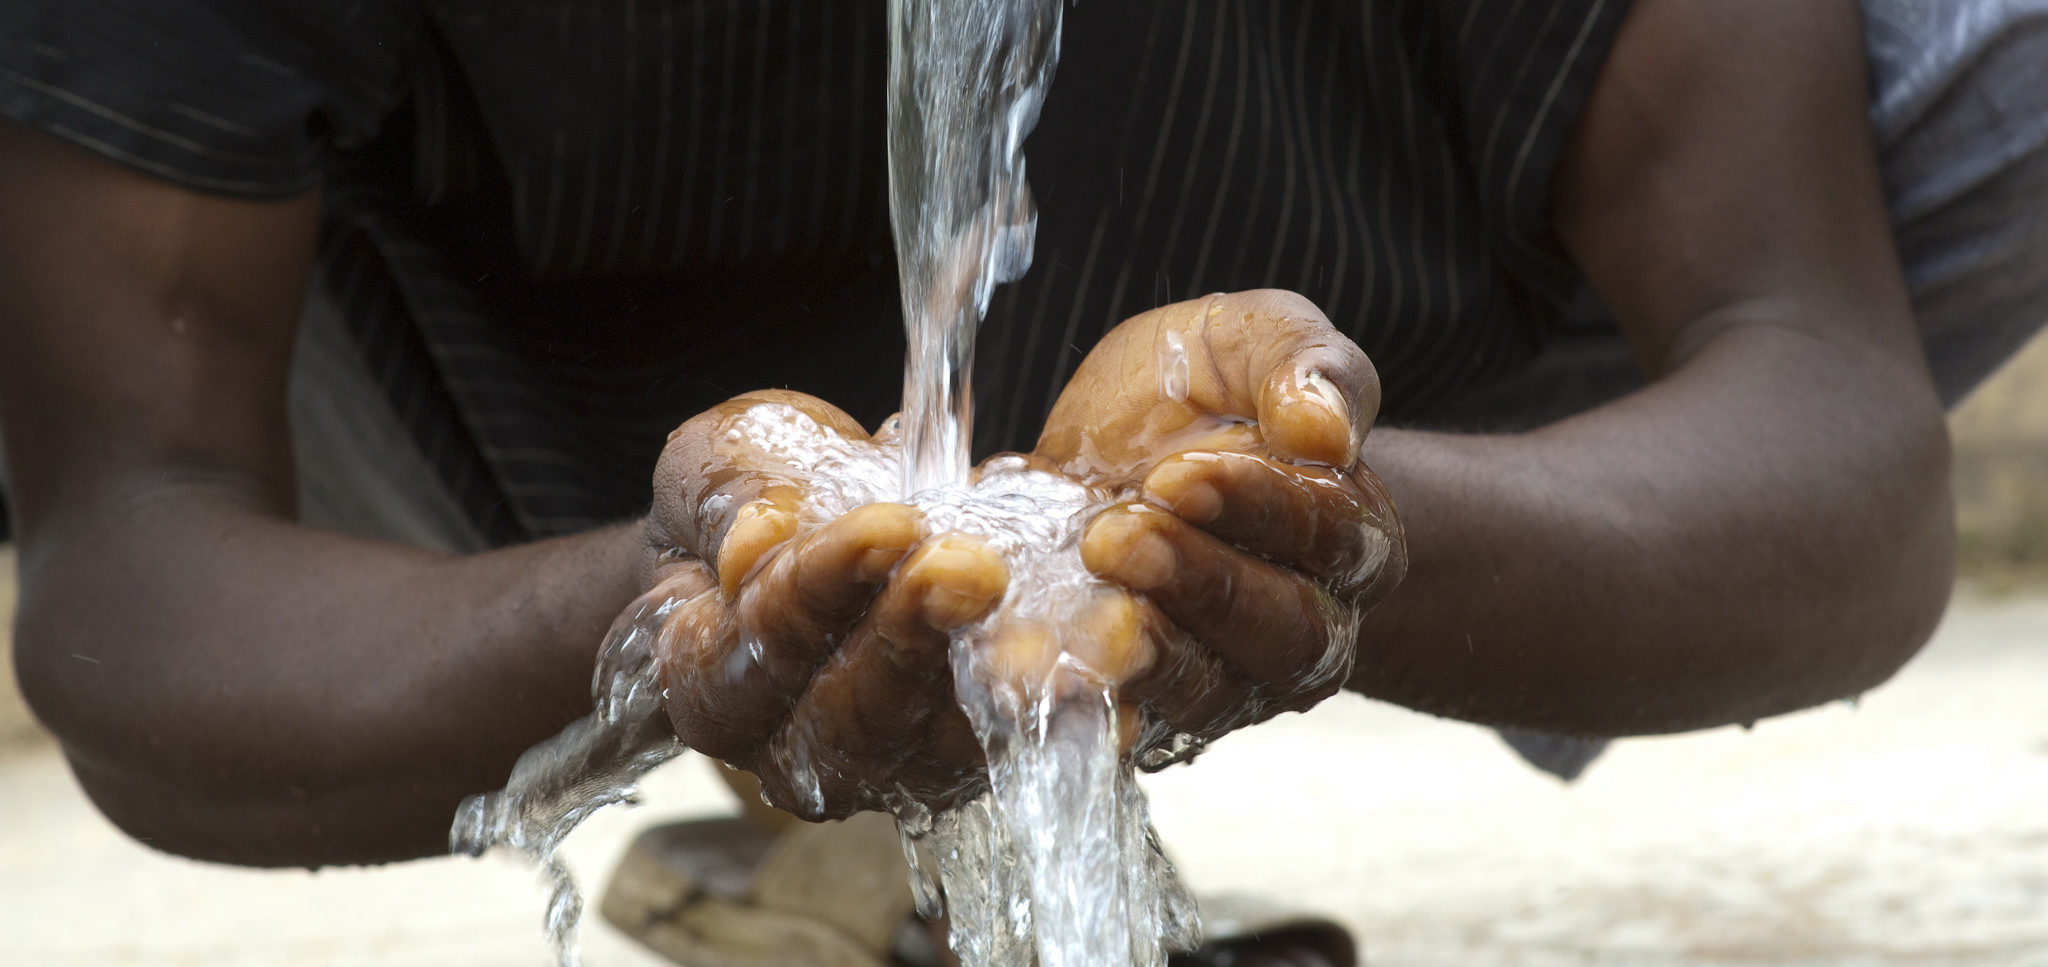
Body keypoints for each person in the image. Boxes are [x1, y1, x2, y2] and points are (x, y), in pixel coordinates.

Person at [2, 0, 2044, 960]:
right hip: (461, 415)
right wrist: (646, 603)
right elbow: (138, 562)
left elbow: (1829, 422)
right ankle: (825, 766)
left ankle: (918, 764)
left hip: (1425, 326)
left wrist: (1348, 535)